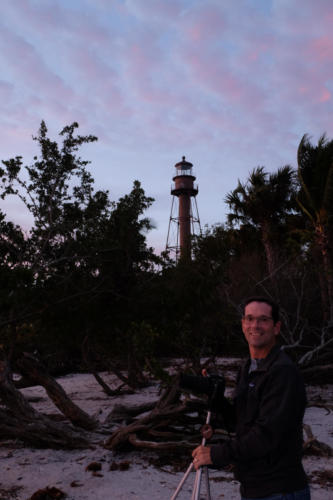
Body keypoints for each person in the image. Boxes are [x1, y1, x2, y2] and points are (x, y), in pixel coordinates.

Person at [190, 296, 310, 500]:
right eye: (250, 318)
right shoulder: (249, 367)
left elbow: (266, 435)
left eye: (263, 319)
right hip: (254, 486)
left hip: (280, 489)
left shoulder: (282, 372)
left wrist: (216, 454)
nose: (255, 325)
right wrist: (217, 401)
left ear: (276, 327)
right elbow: (242, 421)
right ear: (243, 324)